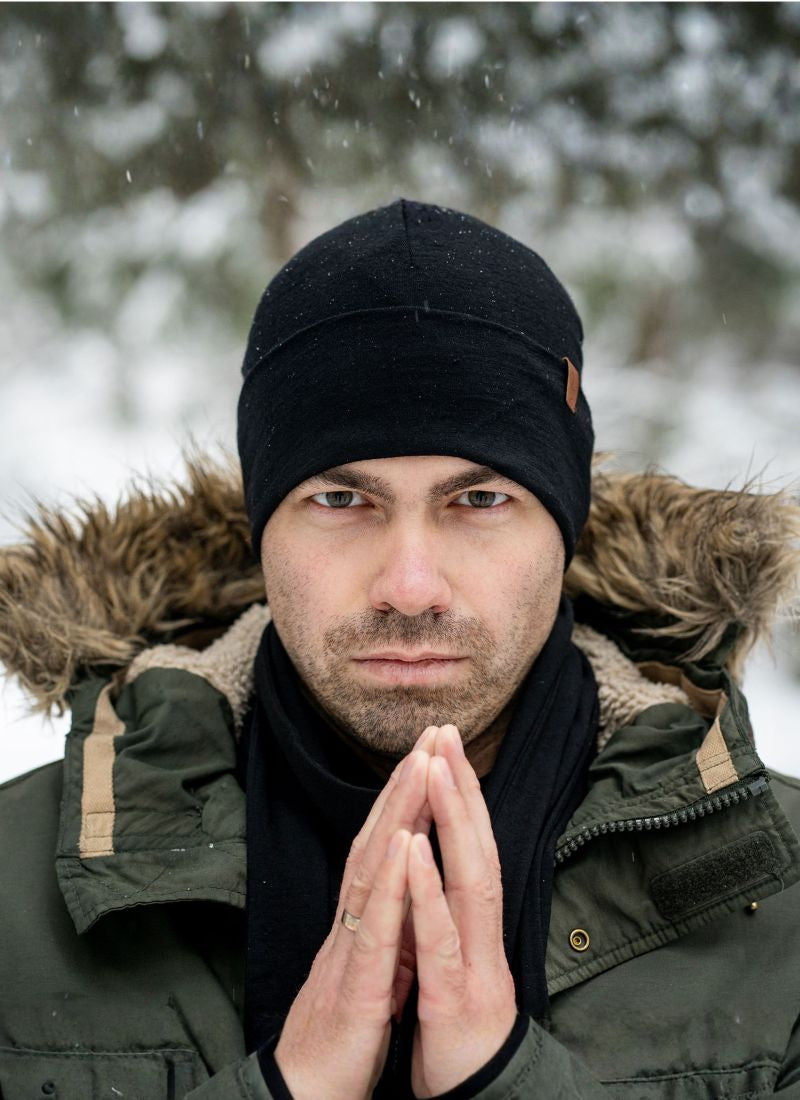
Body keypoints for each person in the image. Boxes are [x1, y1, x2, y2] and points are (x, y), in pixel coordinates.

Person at [1, 197, 799, 1100]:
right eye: (343, 501)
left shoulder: (782, 907)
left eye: (481, 500)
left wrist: (505, 1084)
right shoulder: (13, 903)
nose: (410, 586)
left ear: (564, 530)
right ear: (263, 531)